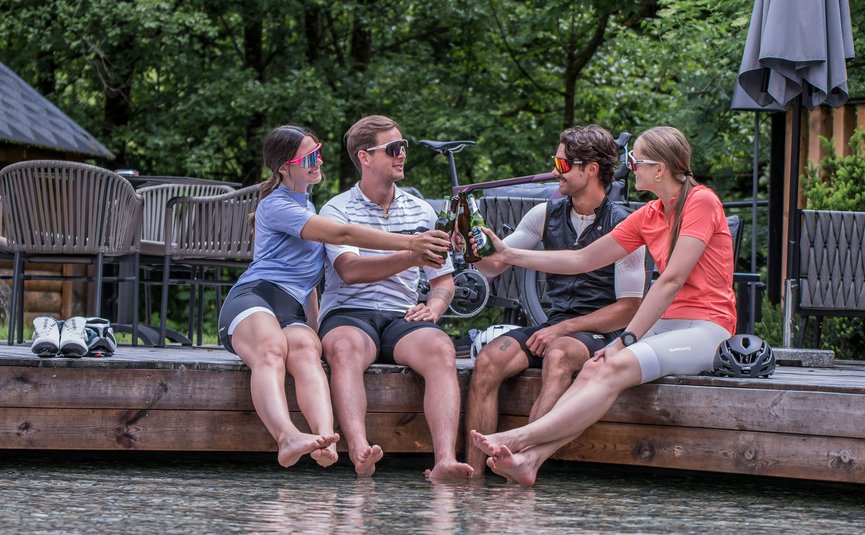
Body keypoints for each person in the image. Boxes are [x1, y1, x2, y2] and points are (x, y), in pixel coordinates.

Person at [470, 126, 736, 485]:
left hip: (705, 329)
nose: (629, 167)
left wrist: (626, 338)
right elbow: (582, 259)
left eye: (636, 160)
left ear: (659, 169)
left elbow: (671, 280)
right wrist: (508, 252)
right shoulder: (650, 214)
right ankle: (531, 461)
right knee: (598, 365)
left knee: (614, 363)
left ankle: (521, 439)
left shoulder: (701, 202)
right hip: (666, 327)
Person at [217, 125, 449, 469]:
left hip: (290, 310)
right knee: (271, 349)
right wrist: (411, 243)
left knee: (308, 350)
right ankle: (286, 437)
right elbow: (343, 233)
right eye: (309, 157)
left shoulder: (306, 204)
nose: (318, 161)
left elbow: (309, 281)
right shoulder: (278, 206)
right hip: (255, 299)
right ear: (284, 167)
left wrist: (315, 325)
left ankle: (324, 440)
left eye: (319, 151)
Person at [464, 125, 645, 474]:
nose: (553, 172)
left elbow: (629, 308)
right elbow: (495, 263)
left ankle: (520, 461)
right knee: (488, 361)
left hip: (601, 333)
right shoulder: (544, 213)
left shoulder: (625, 225)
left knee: (560, 351)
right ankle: (472, 476)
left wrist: (563, 328)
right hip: (555, 326)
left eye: (562, 165)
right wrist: (474, 250)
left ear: (590, 169)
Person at [318, 115, 474, 480]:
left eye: (403, 147)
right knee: (344, 348)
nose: (402, 154)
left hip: (400, 315)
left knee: (441, 349)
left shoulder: (422, 211)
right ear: (365, 157)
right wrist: (411, 255)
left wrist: (434, 307)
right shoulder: (337, 210)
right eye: (392, 149)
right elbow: (350, 271)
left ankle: (444, 461)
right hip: (349, 311)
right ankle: (359, 450)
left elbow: (443, 281)